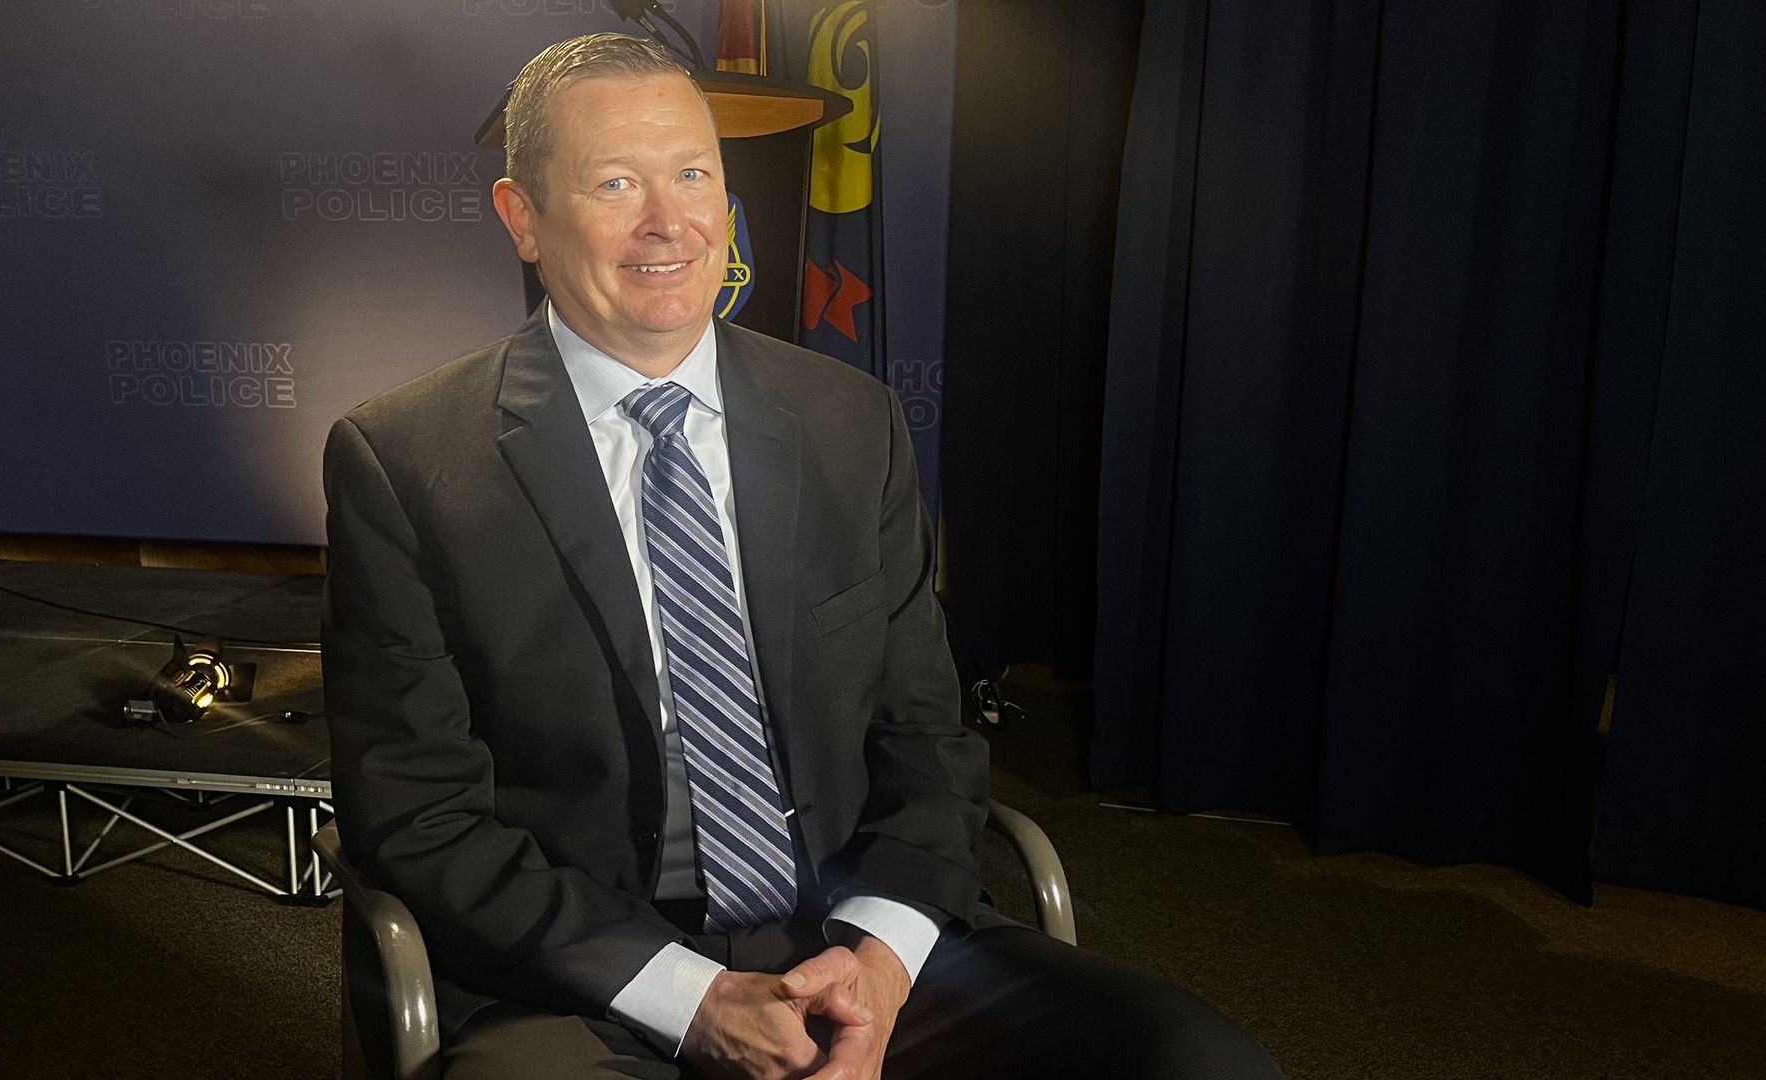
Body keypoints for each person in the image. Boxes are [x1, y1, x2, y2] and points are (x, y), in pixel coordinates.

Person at [322, 31, 1282, 1080]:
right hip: (586, 983)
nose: (669, 221)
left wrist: (877, 961)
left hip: (854, 943)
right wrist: (689, 999)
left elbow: (927, 737)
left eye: (693, 174)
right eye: (614, 182)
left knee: (1195, 1063)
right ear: (523, 218)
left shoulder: (849, 421)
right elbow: (419, 816)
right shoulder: (406, 462)